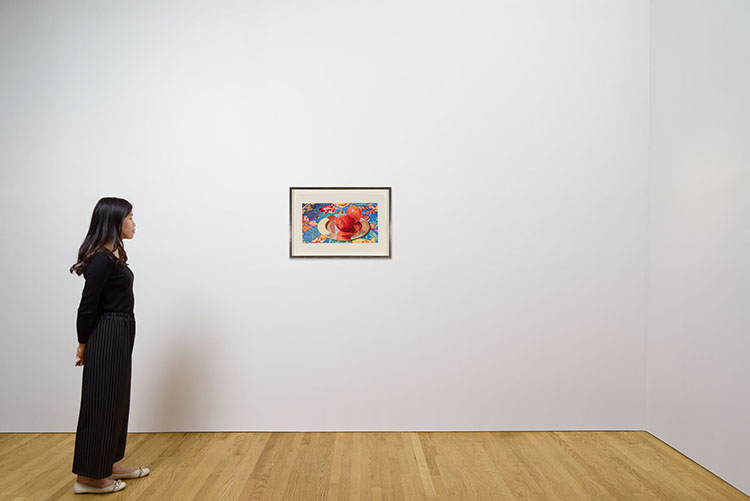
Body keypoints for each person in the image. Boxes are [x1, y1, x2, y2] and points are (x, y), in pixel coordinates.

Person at [70, 197, 149, 494]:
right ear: (115, 220)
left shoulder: (115, 253)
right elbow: (87, 306)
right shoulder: (101, 259)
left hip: (121, 329)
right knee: (101, 401)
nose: (134, 222)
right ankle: (89, 477)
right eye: (130, 217)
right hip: (107, 331)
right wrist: (83, 342)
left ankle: (110, 462)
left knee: (116, 398)